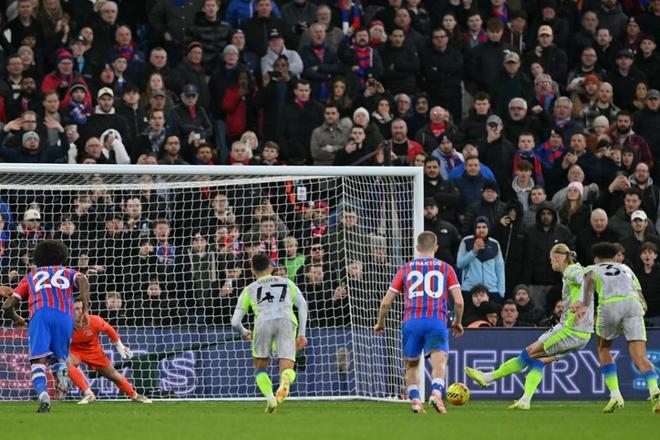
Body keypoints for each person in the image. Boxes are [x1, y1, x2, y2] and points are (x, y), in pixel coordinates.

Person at [465, 243, 593, 410]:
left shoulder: (571, 270)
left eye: (551, 259)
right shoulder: (572, 271)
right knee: (537, 359)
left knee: (529, 353)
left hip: (572, 330)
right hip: (579, 332)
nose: (550, 263)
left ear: (557, 258)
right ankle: (525, 400)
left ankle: (488, 378)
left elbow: (589, 278)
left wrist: (582, 303)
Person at [375, 231, 464, 414]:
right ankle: (436, 393)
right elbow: (459, 302)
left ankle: (415, 400)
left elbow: (385, 302)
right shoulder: (446, 268)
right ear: (436, 247)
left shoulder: (406, 268)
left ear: (417, 247)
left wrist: (380, 322)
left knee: (411, 365)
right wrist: (457, 322)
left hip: (412, 321)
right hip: (436, 320)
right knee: (439, 360)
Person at [1, 240, 90, 413]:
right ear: (63, 256)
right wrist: (85, 310)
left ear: (38, 258)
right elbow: (83, 279)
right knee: (59, 358)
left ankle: (43, 395)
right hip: (65, 316)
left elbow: (7, 305)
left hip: (40, 315)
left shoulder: (32, 275)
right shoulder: (69, 272)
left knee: (38, 361)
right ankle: (61, 370)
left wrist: (17, 318)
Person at [581, 242, 660, 413]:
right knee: (640, 357)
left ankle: (616, 395)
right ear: (614, 257)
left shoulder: (592, 270)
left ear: (596, 259)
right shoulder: (626, 269)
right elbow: (642, 299)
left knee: (603, 348)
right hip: (633, 304)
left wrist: (583, 309)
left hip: (609, 305)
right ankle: (654, 389)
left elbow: (587, 297)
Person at [231, 254, 308, 413]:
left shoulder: (249, 289)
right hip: (286, 321)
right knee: (287, 367)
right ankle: (285, 379)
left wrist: (244, 332)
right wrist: (301, 333)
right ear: (271, 268)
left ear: (252, 270)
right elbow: (302, 305)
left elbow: (235, 322)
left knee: (260, 368)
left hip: (263, 322)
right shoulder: (287, 283)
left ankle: (270, 398)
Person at [67, 300, 151, 404]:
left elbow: (108, 329)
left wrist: (119, 345)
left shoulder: (95, 320)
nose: (80, 311)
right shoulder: (64, 324)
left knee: (112, 375)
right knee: (67, 363)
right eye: (76, 309)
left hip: (93, 351)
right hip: (74, 351)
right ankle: (88, 394)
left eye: (82, 308)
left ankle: (135, 395)